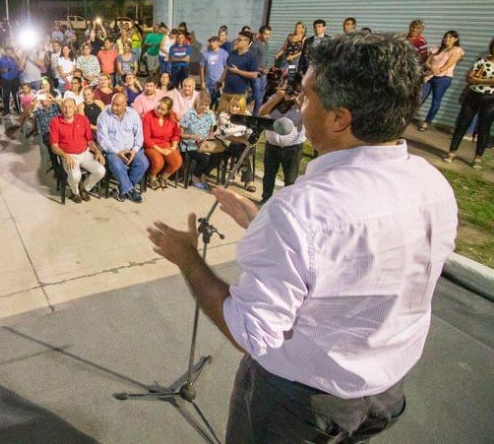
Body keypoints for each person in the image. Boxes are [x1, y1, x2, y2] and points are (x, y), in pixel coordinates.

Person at [148, 32, 457, 443]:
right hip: (386, 391)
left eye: (308, 97)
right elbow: (362, 261)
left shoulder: (301, 210)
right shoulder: (433, 184)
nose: (299, 104)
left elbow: (250, 332)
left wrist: (187, 257)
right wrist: (264, 227)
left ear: (339, 119)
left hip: (302, 404)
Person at [444, 37, 494, 169]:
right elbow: (469, 76)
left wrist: (480, 80)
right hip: (473, 95)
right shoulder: (482, 60)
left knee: (484, 128)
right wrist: (474, 78)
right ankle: (451, 152)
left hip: (490, 99)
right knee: (462, 124)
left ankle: (478, 157)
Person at [49, 98, 106, 203]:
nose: (67, 110)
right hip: (68, 155)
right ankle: (75, 192)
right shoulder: (55, 122)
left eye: (70, 107)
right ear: (61, 108)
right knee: (76, 176)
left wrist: (97, 151)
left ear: (75, 108)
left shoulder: (83, 119)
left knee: (100, 171)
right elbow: (54, 146)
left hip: (84, 153)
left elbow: (89, 141)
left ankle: (84, 188)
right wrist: (65, 156)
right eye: (65, 107)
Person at [96, 93, 148, 203]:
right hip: (113, 150)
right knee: (117, 165)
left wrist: (134, 151)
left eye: (117, 105)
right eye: (113, 104)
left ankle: (122, 188)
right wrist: (117, 151)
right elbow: (102, 139)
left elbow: (139, 135)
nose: (114, 107)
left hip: (131, 149)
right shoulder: (104, 115)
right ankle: (130, 190)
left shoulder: (133, 114)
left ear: (125, 104)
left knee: (143, 163)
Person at [258, 86, 307, 202]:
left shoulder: (303, 103)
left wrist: (296, 100)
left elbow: (308, 117)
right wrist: (278, 97)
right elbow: (262, 112)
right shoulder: (274, 99)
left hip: (293, 147)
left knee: (290, 179)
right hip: (272, 145)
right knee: (269, 175)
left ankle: (287, 203)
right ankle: (265, 199)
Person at [419, 30, 465, 131]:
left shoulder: (457, 50)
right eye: (446, 37)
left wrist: (438, 71)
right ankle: (408, 117)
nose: (447, 39)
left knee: (436, 101)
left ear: (456, 39)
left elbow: (449, 64)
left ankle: (426, 122)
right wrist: (432, 69)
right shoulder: (437, 49)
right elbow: (427, 62)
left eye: (450, 37)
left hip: (443, 78)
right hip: (429, 76)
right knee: (420, 97)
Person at [180, 90, 218, 189]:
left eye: (206, 105)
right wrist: (192, 136)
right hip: (190, 144)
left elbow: (211, 132)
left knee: (218, 156)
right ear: (197, 102)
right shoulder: (189, 114)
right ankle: (195, 177)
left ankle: (202, 174)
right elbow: (180, 134)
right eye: (202, 104)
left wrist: (210, 137)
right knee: (205, 158)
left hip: (205, 144)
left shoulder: (209, 115)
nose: (204, 107)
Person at [142, 96, 182, 189]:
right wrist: (162, 151)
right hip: (151, 145)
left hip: (166, 143)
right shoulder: (148, 116)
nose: (159, 110)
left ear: (168, 111)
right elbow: (146, 139)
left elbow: (176, 134)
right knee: (158, 162)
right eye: (158, 107)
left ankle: (163, 177)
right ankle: (152, 177)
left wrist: (173, 147)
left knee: (177, 161)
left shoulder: (172, 116)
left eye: (163, 110)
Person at [219, 31, 260, 113]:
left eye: (239, 40)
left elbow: (254, 75)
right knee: (221, 114)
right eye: (237, 39)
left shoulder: (251, 57)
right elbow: (227, 68)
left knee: (237, 117)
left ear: (247, 42)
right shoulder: (232, 53)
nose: (236, 41)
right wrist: (220, 81)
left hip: (239, 94)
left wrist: (238, 71)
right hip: (226, 91)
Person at [249, 25, 272, 114]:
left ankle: (255, 114)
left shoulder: (266, 44)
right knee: (257, 95)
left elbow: (265, 58)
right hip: (255, 73)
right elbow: (250, 61)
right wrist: (260, 69)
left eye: (269, 34)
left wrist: (266, 68)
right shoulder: (255, 45)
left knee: (261, 95)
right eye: (266, 34)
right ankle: (243, 102)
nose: (267, 36)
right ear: (261, 34)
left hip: (263, 74)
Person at [201, 36, 228, 109]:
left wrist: (223, 81)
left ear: (218, 43)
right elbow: (202, 67)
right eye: (210, 42)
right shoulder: (206, 54)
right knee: (208, 103)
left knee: (219, 103)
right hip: (208, 83)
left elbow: (227, 68)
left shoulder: (224, 53)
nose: (211, 43)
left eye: (213, 42)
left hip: (219, 84)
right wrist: (203, 81)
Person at [0, 46, 21, 115]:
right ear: (5, 52)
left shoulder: (15, 58)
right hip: (5, 79)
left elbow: (20, 65)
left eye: (10, 52)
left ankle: (18, 110)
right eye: (7, 52)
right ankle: (6, 110)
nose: (9, 53)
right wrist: (3, 70)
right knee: (6, 96)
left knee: (16, 95)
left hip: (15, 79)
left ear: (12, 52)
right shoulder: (1, 59)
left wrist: (16, 58)